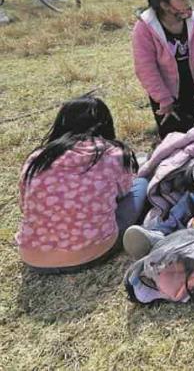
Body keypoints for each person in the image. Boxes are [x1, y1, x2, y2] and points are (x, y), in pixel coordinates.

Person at [16, 96, 148, 272]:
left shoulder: (37, 159)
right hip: (94, 251)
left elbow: (24, 207)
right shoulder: (112, 154)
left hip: (33, 258)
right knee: (141, 183)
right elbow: (124, 192)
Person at [132, 0, 194, 139]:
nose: (187, 1)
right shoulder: (145, 28)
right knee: (175, 140)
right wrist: (163, 99)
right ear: (164, 5)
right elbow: (145, 68)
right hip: (166, 95)